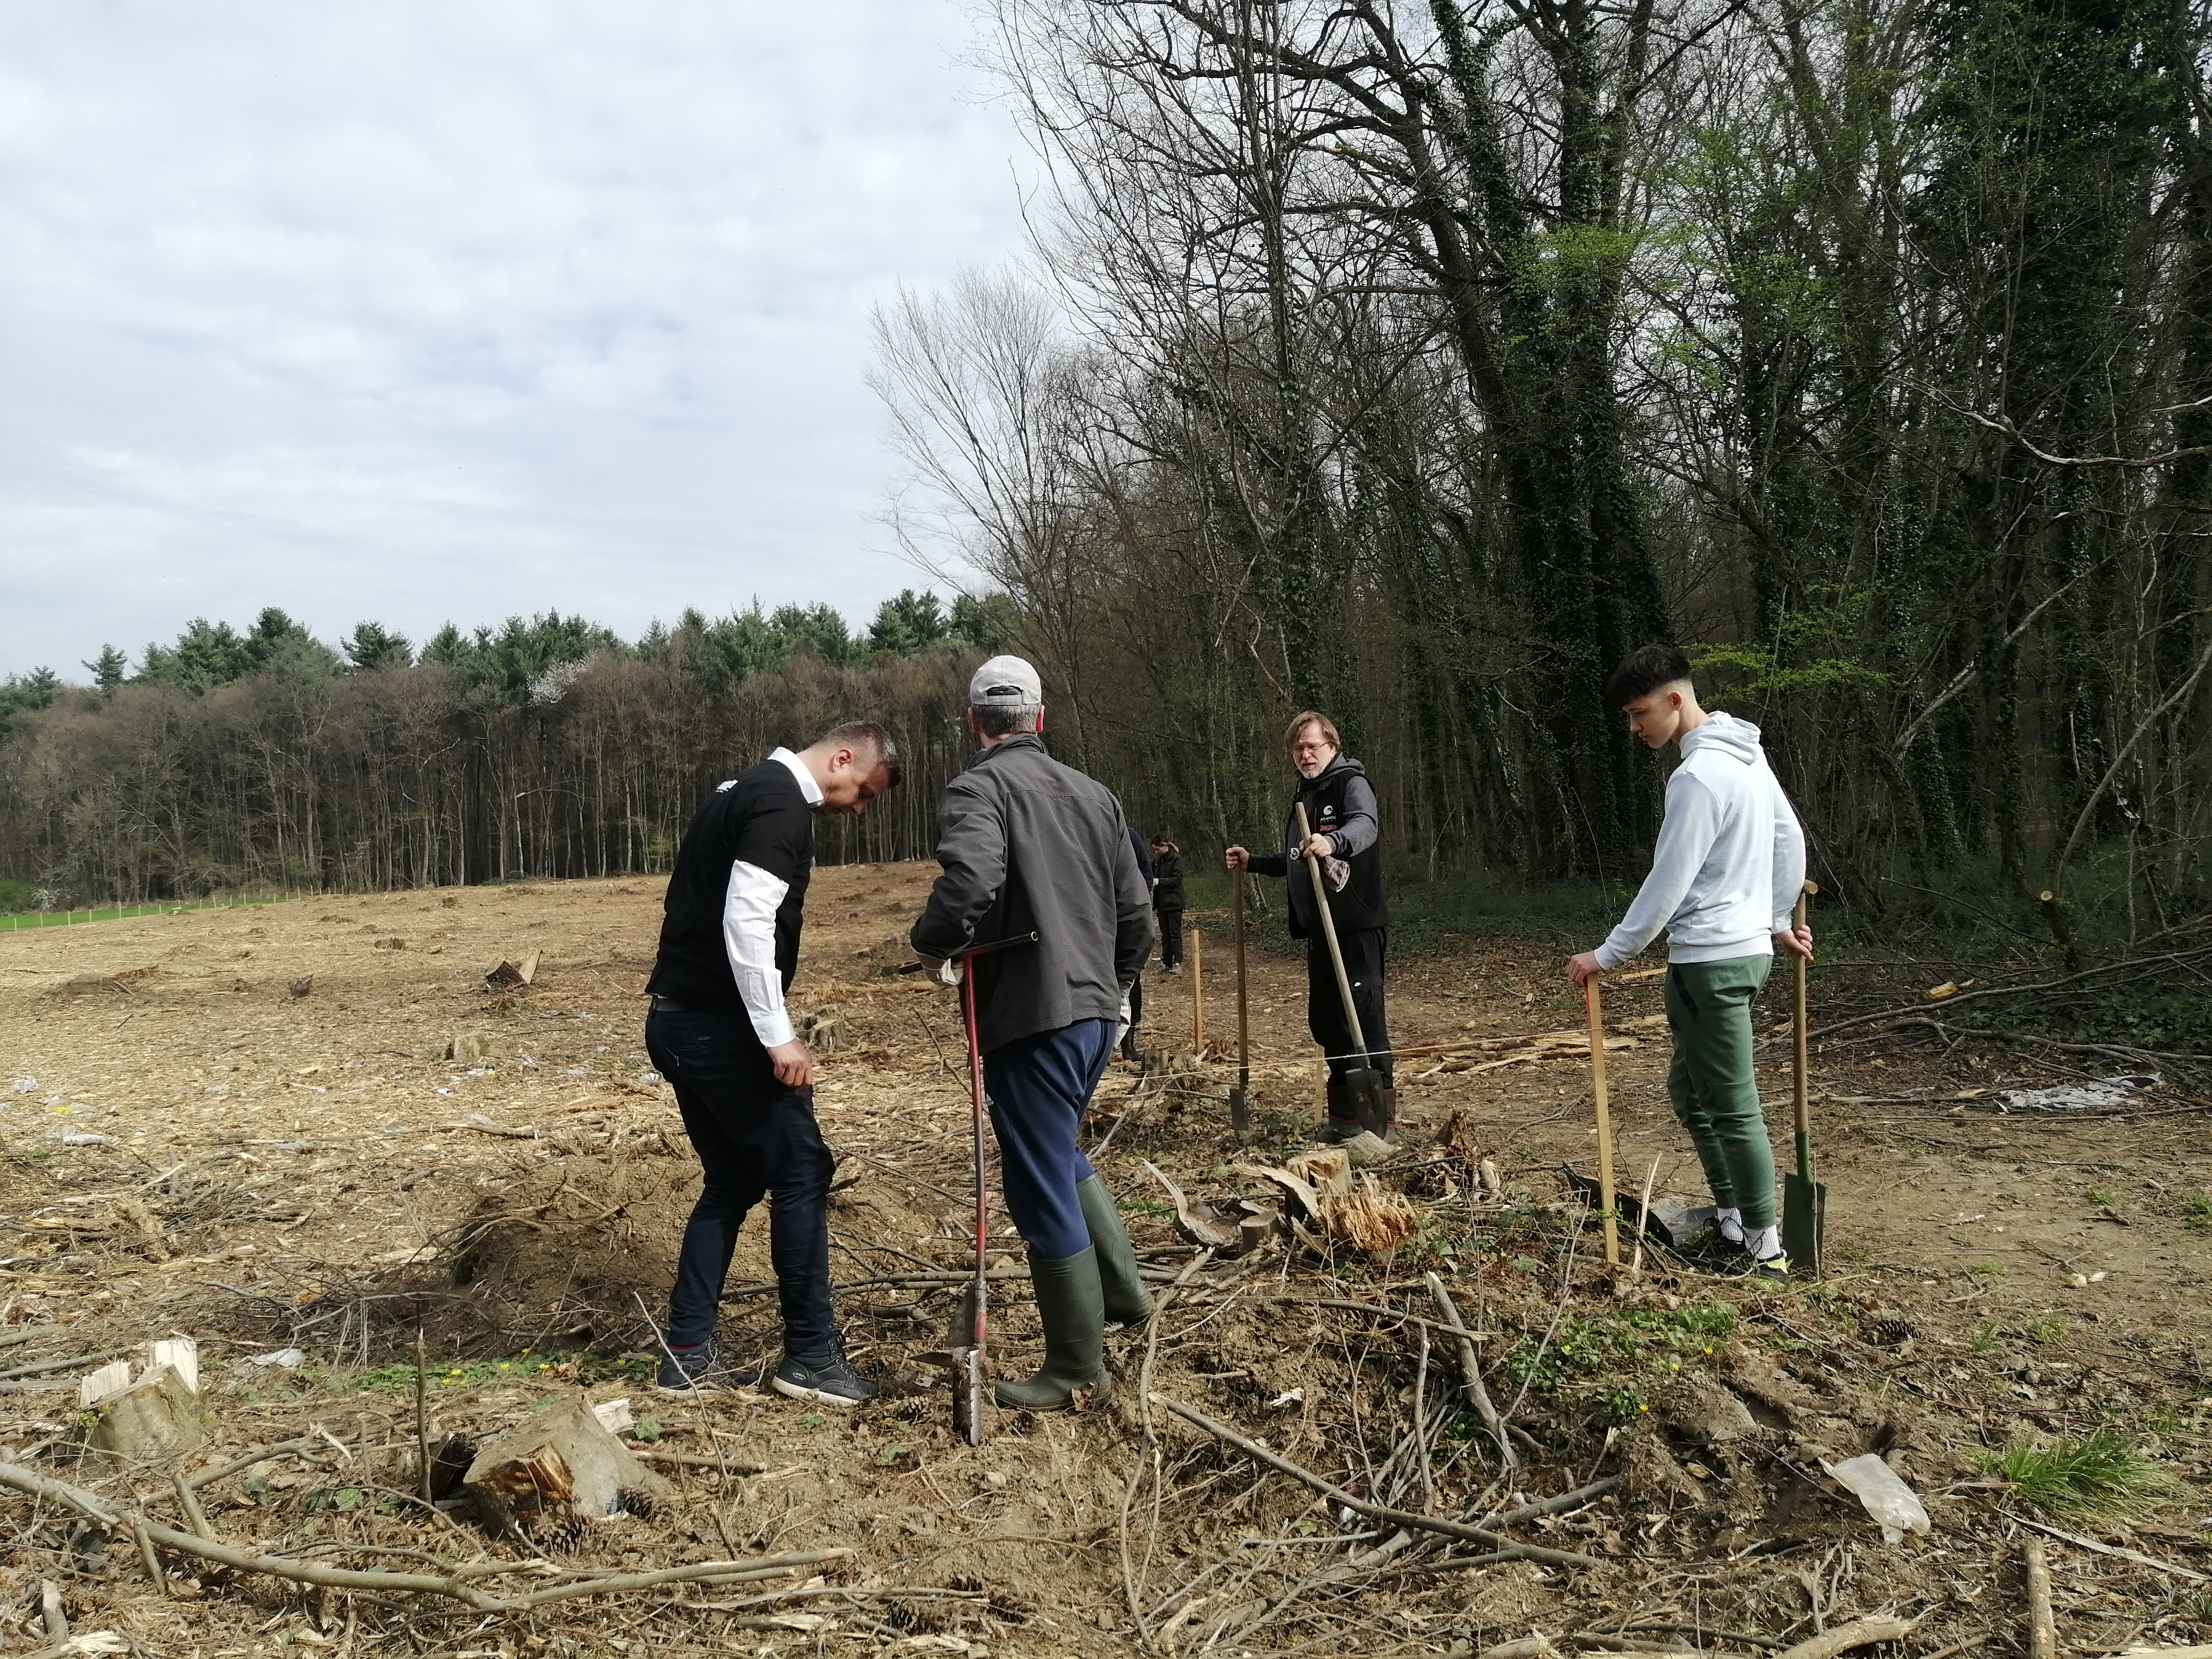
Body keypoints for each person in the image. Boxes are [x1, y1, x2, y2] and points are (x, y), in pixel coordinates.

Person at [912, 655, 1156, 1410]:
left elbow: (973, 881)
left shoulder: (976, 788)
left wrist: (932, 943)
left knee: (1036, 1174)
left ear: (974, 720)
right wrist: (1113, 991)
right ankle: (1123, 1296)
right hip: (1093, 1012)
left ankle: (1077, 1367)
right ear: (1040, 719)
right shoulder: (1095, 794)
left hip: (1031, 1015)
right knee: (1059, 1150)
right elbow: (1138, 914)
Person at [643, 723, 902, 1399]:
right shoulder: (780, 802)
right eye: (863, 792)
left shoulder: (738, 790)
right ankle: (811, 1356)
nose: (857, 809)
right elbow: (747, 919)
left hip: (676, 1019)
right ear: (842, 758)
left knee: (731, 1180)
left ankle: (687, 1351)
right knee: (801, 1172)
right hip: (719, 1028)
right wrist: (776, 1034)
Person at [1564, 645, 1811, 1279]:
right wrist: (1778, 920)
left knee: (1731, 1105)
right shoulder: (1746, 755)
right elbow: (1790, 838)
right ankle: (1732, 1213)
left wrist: (1607, 955)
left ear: (1677, 699)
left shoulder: (1700, 776)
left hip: (1713, 960)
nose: (1634, 726)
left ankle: (1765, 1244)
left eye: (1640, 711)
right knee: (1689, 1089)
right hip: (1739, 950)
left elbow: (1667, 883)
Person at [1225, 712, 1392, 1143]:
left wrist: (1333, 841)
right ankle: (1345, 1121)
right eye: (1297, 748)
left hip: (1354, 926)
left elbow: (1365, 827)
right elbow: (1299, 859)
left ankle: (1380, 1124)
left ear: (1331, 746)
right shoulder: (1307, 792)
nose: (1304, 754)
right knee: (1328, 1021)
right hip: (1321, 929)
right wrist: (1255, 862)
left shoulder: (1349, 783)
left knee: (1363, 1017)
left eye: (1311, 746)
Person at [1121, 827, 1155, 1062]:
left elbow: (1145, 875)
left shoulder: (1130, 837)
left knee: (1131, 980)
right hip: (1092, 923)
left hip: (1126, 920)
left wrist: (1139, 912)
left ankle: (1128, 1045)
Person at [1150, 833, 1185, 972]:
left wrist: (1161, 881)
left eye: (1158, 849)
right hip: (1162, 903)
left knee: (1175, 933)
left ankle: (1177, 962)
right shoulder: (1157, 861)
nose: (1156, 852)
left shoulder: (1177, 860)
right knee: (1165, 934)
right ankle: (1166, 962)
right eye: (1154, 849)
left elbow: (1177, 879)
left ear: (1165, 846)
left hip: (1174, 902)